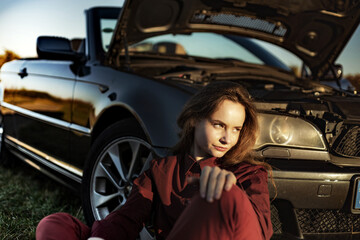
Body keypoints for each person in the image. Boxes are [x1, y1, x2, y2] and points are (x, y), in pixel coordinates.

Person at [36, 81, 273, 240]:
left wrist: (227, 191)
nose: (227, 138)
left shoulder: (250, 174)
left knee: (224, 190)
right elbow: (128, 217)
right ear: (194, 120)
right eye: (219, 125)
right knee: (55, 224)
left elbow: (260, 232)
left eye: (236, 129)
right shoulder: (162, 169)